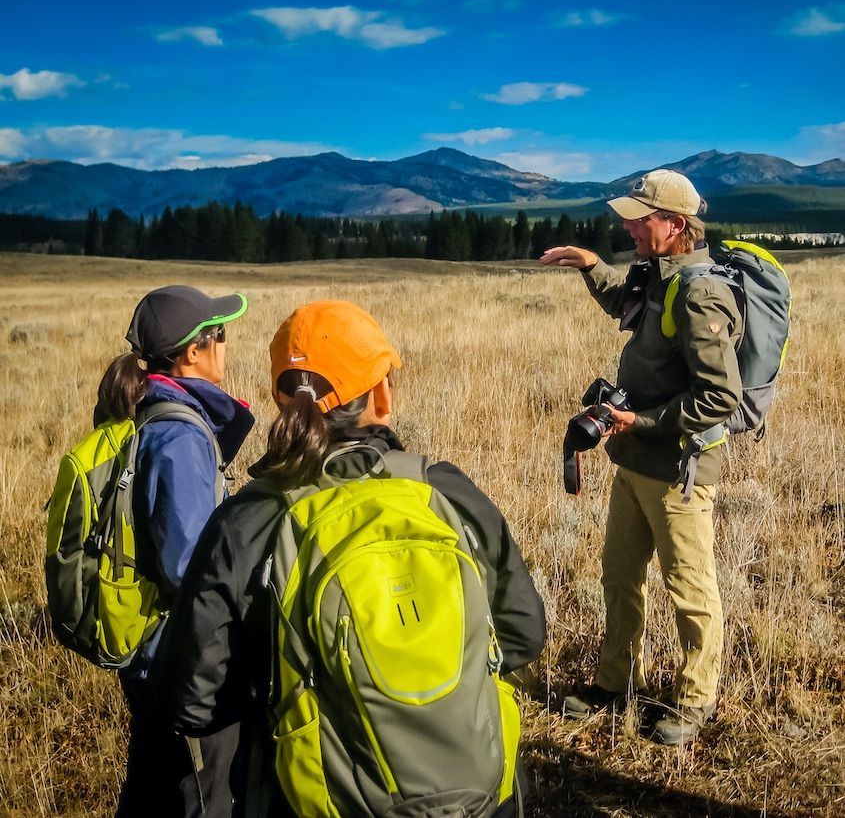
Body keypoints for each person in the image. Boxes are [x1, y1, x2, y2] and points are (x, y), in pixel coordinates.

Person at [154, 299, 547, 816]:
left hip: (316, 798)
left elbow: (191, 698)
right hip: (478, 794)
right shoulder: (446, 492)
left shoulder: (246, 521)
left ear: (281, 397)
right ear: (381, 395)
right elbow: (523, 633)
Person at [540, 169, 742, 745]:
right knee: (620, 574)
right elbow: (624, 307)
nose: (627, 226)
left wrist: (643, 422)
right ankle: (613, 683)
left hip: (678, 469)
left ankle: (694, 700)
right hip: (633, 461)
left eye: (639, 217)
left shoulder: (701, 292)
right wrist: (589, 265)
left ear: (674, 225)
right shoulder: (657, 276)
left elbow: (720, 396)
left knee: (690, 586)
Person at [94, 285, 254, 816]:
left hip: (150, 653)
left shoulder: (153, 411)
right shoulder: (180, 437)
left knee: (153, 786)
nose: (227, 346)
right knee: (199, 796)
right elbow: (188, 567)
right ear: (193, 352)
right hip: (178, 656)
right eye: (221, 336)